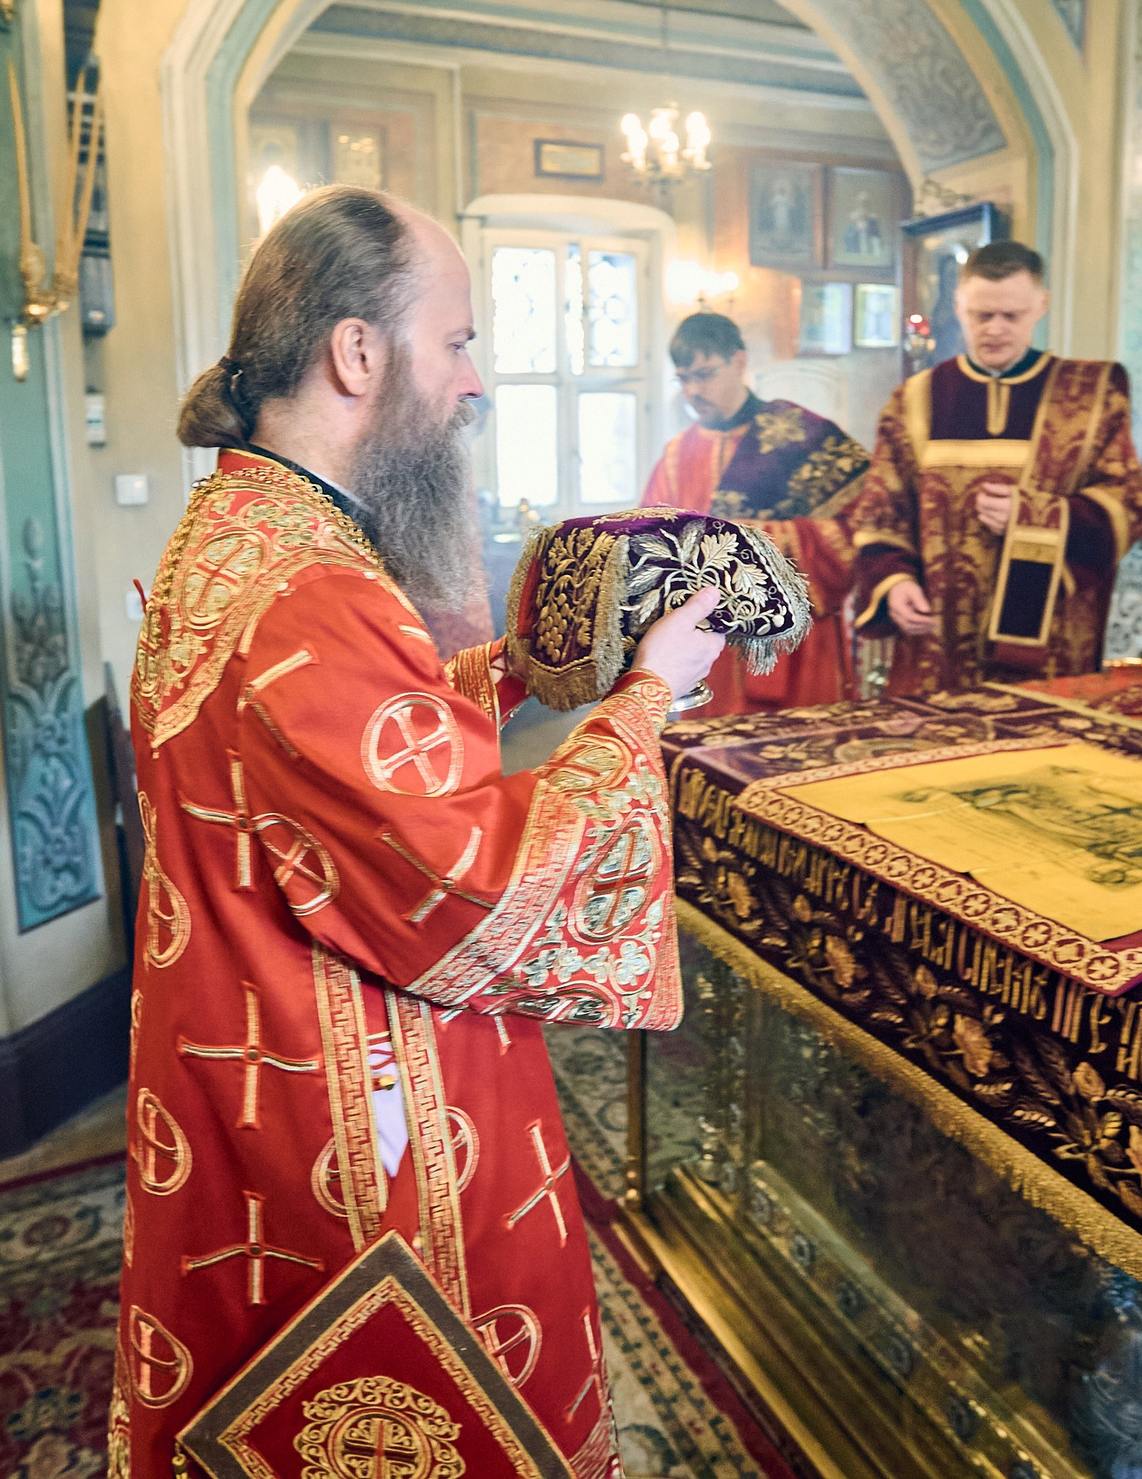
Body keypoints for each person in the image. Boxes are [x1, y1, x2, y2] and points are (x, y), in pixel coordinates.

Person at [114, 185, 723, 1478]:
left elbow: (344, 755)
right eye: (455, 341)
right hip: (360, 1107)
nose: (474, 381)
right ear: (356, 351)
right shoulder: (313, 584)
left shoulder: (243, 528)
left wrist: (519, 669)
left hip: (255, 1063)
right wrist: (648, 696)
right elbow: (475, 883)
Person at [851, 240, 1142, 691]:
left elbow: (1129, 503)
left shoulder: (1090, 396)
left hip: (1050, 641)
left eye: (1011, 316)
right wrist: (893, 581)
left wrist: (1035, 515)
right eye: (981, 315)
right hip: (936, 638)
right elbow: (881, 511)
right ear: (959, 306)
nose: (995, 329)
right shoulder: (915, 400)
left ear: (1041, 306)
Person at [640, 311, 870, 712]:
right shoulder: (677, 456)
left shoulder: (801, 435)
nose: (693, 391)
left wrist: (747, 542)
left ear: (739, 361)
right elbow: (648, 548)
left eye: (705, 374)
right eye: (684, 378)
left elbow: (861, 527)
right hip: (710, 653)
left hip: (796, 645)